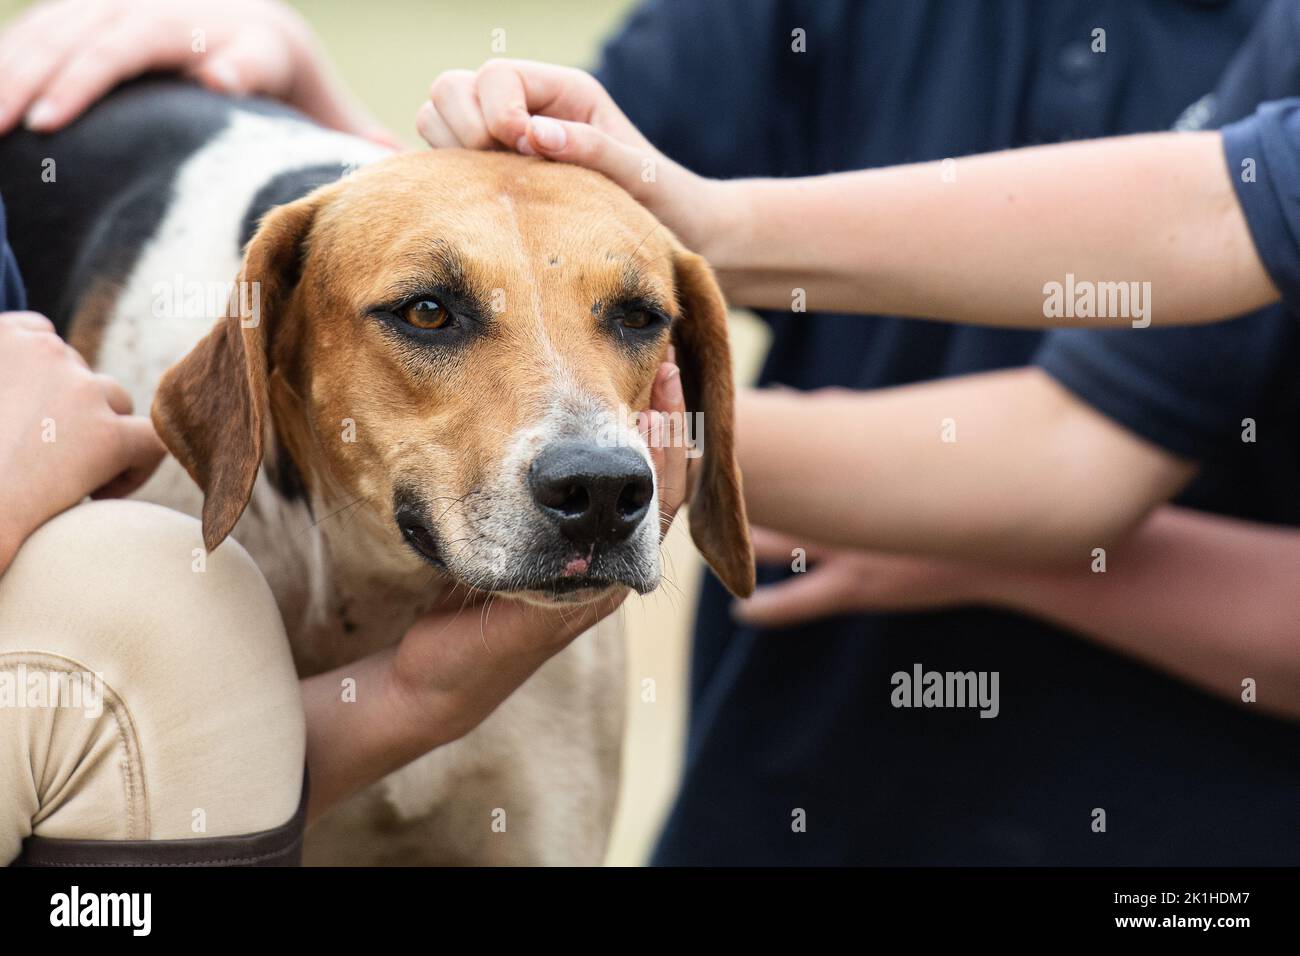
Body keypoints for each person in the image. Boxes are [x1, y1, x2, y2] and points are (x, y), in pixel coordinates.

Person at [9, 0, 1300, 865]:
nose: (598, 442)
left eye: (639, 320)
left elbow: (1082, 441)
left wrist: (699, 436)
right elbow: (516, 213)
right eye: (434, 318)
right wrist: (315, 90)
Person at [0, 7, 689, 859]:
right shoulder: (144, 511)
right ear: (270, 347)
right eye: (431, 314)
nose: (597, 461)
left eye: (629, 318)